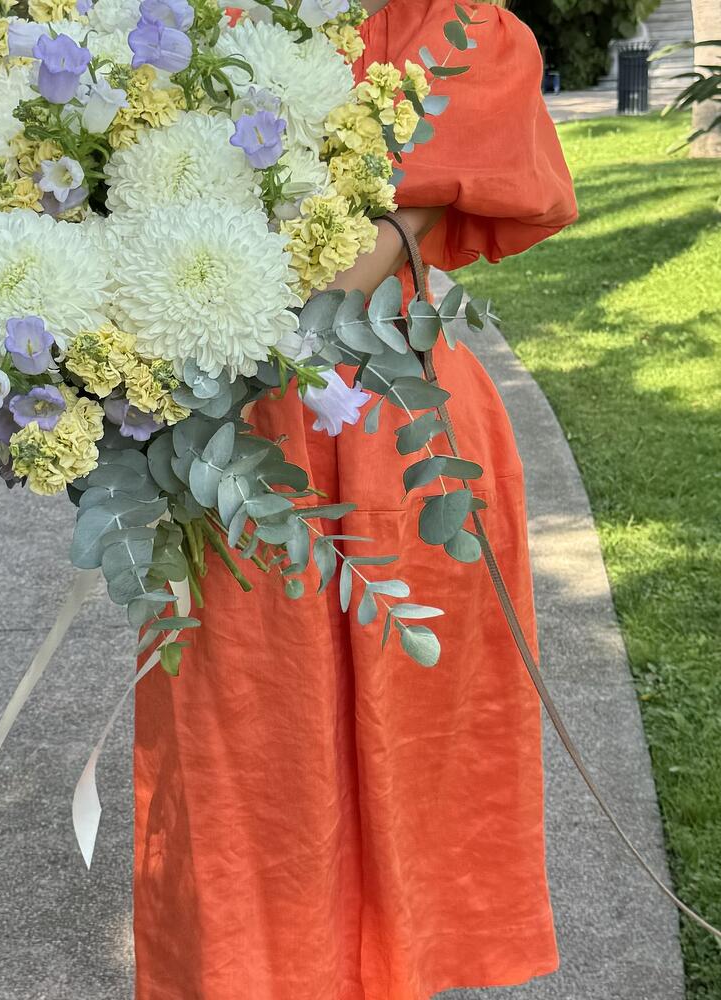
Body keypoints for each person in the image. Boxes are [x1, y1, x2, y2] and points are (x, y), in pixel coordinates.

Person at [133, 0, 578, 996]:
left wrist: (147, 318)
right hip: (223, 441)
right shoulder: (181, 22)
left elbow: (358, 261)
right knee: (250, 748)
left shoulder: (460, 28)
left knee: (412, 754)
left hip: (392, 432)